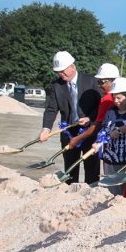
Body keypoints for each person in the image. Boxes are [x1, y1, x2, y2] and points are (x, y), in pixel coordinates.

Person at [39, 51, 101, 184]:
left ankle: (91, 195)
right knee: (70, 170)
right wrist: (46, 129)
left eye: (62, 71)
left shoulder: (90, 81)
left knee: (91, 169)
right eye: (58, 72)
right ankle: (71, 198)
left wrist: (90, 118)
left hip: (89, 132)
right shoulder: (56, 85)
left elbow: (101, 106)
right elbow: (51, 108)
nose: (60, 74)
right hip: (69, 132)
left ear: (72, 67)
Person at [94, 77, 126, 201]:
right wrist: (98, 141)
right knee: (112, 195)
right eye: (114, 97)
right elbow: (104, 128)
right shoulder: (111, 111)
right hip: (112, 158)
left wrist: (119, 130)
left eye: (119, 98)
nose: (116, 101)